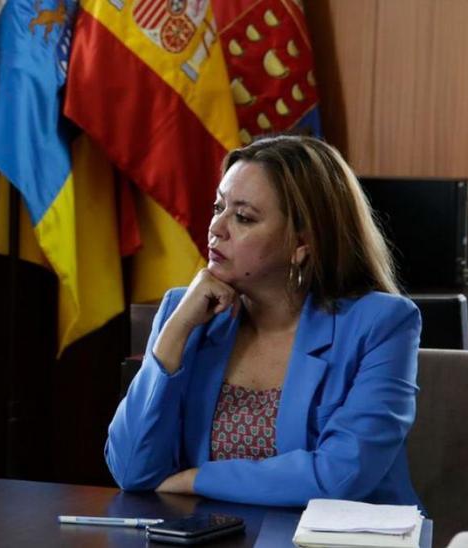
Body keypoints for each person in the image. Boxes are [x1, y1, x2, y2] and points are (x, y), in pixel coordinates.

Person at [106, 135, 421, 507]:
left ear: (302, 243)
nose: (216, 228)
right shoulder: (187, 311)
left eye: (242, 217)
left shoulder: (380, 325)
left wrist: (198, 478)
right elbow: (130, 470)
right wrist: (172, 336)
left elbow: (339, 476)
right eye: (218, 207)